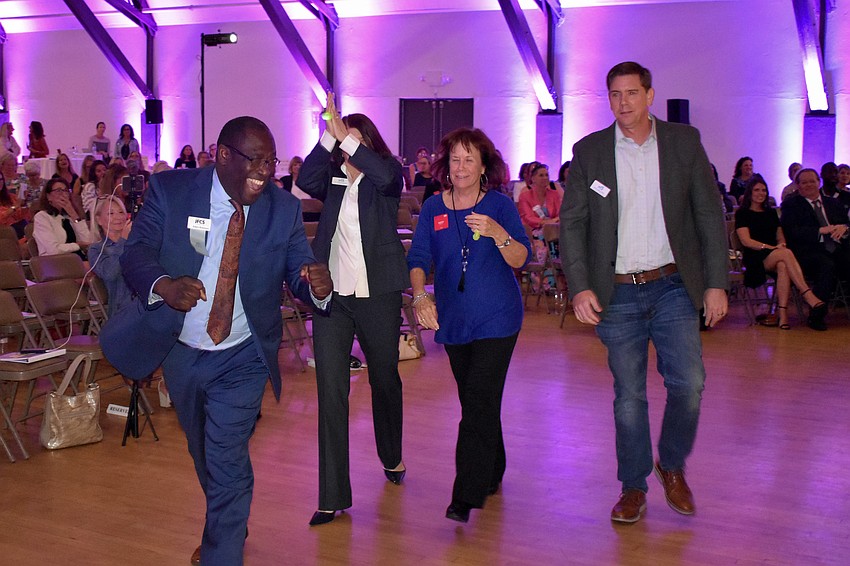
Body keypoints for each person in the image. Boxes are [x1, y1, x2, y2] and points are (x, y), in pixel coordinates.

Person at [100, 116, 333, 566]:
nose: (265, 171)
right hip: (182, 351)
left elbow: (299, 270)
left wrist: (314, 285)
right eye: (256, 160)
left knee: (228, 456)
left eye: (271, 161)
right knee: (202, 448)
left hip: (242, 354)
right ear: (223, 155)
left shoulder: (281, 209)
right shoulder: (172, 190)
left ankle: (221, 553)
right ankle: (229, 519)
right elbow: (138, 253)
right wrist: (164, 284)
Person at [560, 62, 728, 524]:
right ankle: (633, 486)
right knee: (629, 396)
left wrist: (716, 282)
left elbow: (708, 216)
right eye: (615, 94)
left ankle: (670, 464)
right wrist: (580, 287)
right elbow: (572, 224)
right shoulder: (590, 152)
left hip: (674, 285)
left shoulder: (683, 143)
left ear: (650, 95)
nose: (624, 103)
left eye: (632, 93)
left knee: (689, 384)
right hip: (616, 294)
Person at [408, 127, 530, 523]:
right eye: (455, 159)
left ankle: (466, 493)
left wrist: (497, 233)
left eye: (469, 160)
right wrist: (422, 296)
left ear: (483, 168)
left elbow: (521, 259)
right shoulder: (433, 208)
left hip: (498, 318)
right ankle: (493, 469)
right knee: (477, 399)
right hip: (455, 320)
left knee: (478, 399)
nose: (460, 167)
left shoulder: (498, 205)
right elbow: (419, 257)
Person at [297, 92, 409, 527]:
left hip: (378, 296)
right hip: (334, 300)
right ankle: (331, 497)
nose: (346, 145)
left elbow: (383, 174)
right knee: (331, 392)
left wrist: (350, 137)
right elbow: (305, 177)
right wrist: (329, 136)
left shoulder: (385, 179)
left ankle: (392, 454)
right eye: (343, 139)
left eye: (354, 140)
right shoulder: (332, 180)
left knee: (385, 379)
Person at [734, 175, 825, 329]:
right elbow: (746, 241)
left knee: (783, 263)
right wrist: (771, 248)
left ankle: (783, 315)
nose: (761, 193)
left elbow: (780, 236)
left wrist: (780, 245)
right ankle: (807, 294)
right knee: (785, 254)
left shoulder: (770, 213)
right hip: (755, 257)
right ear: (750, 192)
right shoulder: (742, 213)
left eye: (764, 190)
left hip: (775, 255)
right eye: (757, 190)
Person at [780, 168, 850, 331]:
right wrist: (819, 231)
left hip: (837, 248)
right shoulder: (791, 205)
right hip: (807, 252)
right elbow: (792, 232)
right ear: (797, 186)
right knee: (826, 265)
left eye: (812, 181)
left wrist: (844, 228)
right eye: (804, 182)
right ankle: (817, 314)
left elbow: (846, 223)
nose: (809, 185)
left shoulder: (833, 203)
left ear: (819, 182)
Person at [88, 195, 132, 317]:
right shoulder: (96, 249)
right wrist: (123, 241)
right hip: (122, 308)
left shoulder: (137, 243)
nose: (118, 217)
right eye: (110, 213)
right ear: (99, 220)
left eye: (121, 212)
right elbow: (110, 273)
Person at [32, 177, 93, 257]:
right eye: (58, 191)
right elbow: (53, 250)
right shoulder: (42, 217)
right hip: (56, 261)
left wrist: (73, 214)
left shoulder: (69, 216)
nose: (63, 194)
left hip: (76, 258)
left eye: (65, 190)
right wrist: (77, 245)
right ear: (48, 196)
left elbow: (87, 241)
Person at [0, 170, 28, 238]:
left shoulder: (11, 197)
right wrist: (14, 207)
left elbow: (21, 216)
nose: (0, 182)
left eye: (1, 179)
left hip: (19, 228)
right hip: (4, 232)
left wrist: (23, 203)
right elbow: (2, 217)